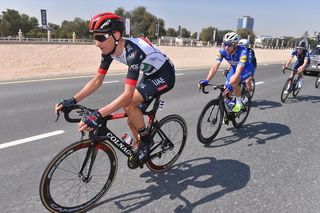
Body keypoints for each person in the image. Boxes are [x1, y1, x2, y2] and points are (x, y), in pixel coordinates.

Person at [55, 12, 175, 162]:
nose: (97, 43)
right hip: (150, 72)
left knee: (129, 104)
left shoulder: (133, 52)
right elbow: (97, 80)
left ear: (116, 35)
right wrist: (72, 100)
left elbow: (127, 96)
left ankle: (146, 141)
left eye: (101, 37)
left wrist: (99, 114)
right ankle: (141, 143)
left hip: (164, 74)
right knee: (132, 118)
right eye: (95, 37)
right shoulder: (109, 50)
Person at [198, 32, 255, 112]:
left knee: (233, 81)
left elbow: (238, 71)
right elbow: (215, 67)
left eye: (229, 45)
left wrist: (233, 80)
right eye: (225, 44)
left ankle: (239, 103)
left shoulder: (243, 52)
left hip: (246, 69)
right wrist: (207, 80)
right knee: (225, 90)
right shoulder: (222, 51)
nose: (226, 47)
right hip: (234, 68)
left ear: (235, 45)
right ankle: (230, 107)